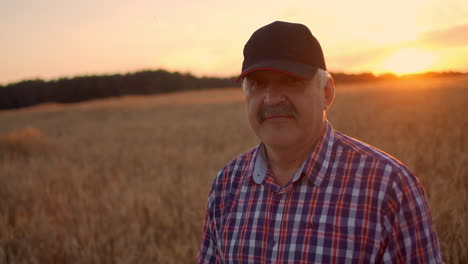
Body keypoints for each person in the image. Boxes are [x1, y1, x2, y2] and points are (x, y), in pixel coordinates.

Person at [197, 21, 443, 263]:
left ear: (327, 92)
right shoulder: (226, 185)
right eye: (258, 84)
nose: (271, 99)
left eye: (292, 81)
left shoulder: (389, 188)